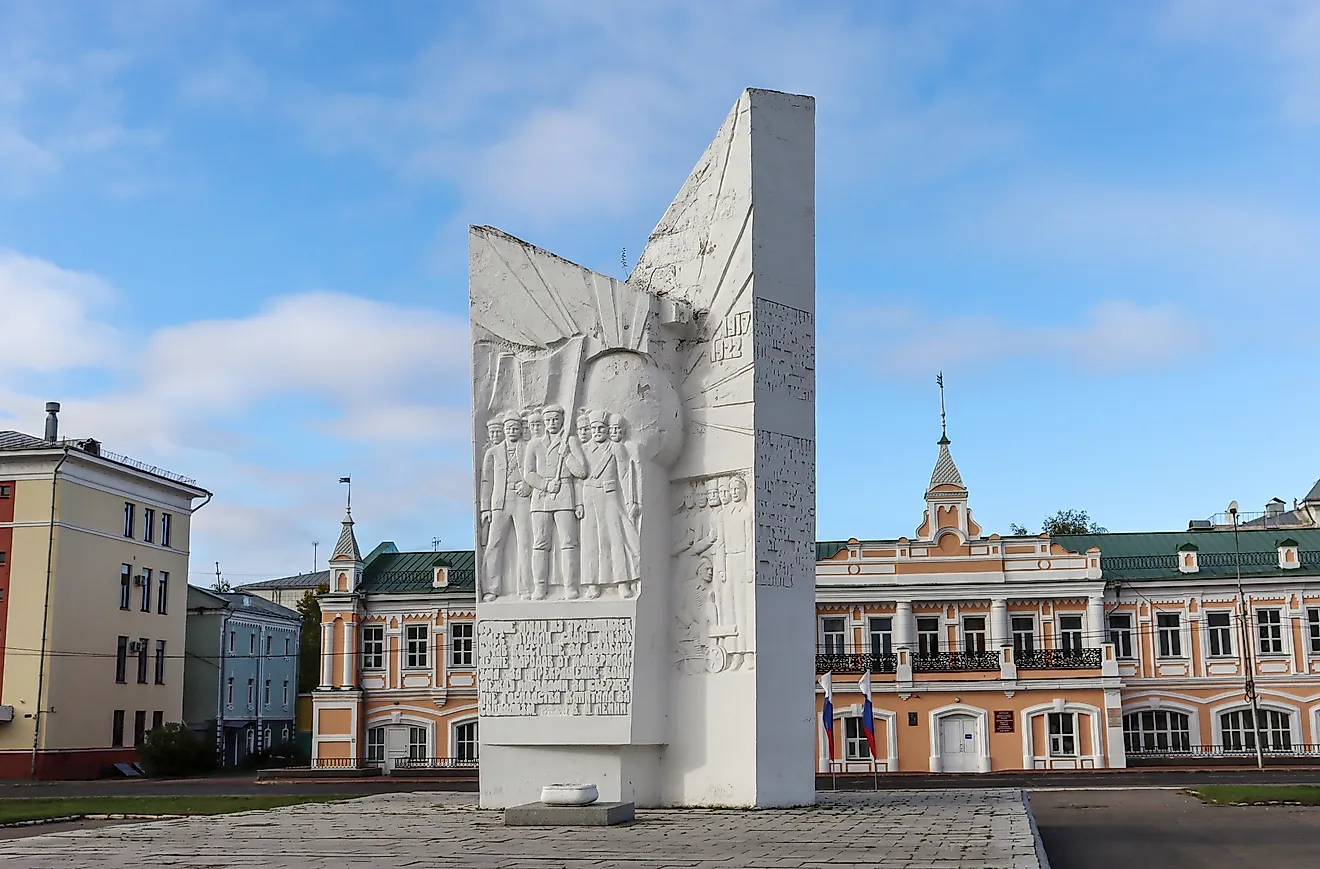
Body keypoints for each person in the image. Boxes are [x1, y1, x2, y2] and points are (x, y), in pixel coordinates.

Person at [523, 404, 586, 599]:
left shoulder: (570, 441)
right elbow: (528, 474)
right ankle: (540, 586)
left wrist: (566, 454)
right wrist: (544, 485)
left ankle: (570, 586)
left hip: (565, 494)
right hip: (542, 497)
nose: (551, 423)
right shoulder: (534, 444)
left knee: (568, 542)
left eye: (555, 420)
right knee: (541, 543)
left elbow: (581, 471)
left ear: (561, 420)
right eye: (548, 420)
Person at [580, 410, 640, 599]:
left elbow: (624, 475)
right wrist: (577, 504)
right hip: (589, 497)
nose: (597, 431)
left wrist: (631, 501)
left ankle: (622, 582)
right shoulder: (584, 449)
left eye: (601, 428)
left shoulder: (615, 448)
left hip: (610, 495)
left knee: (616, 539)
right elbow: (575, 479)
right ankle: (593, 583)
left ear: (607, 429)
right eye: (594, 428)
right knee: (591, 541)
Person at [479, 414, 533, 601]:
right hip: (499, 502)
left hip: (522, 500)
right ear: (504, 430)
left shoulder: (527, 449)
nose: (512, 431)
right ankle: (491, 588)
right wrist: (485, 507)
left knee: (525, 543)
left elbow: (536, 471)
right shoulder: (492, 453)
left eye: (515, 428)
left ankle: (526, 588)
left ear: (520, 430)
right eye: (508, 428)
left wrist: (529, 486)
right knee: (494, 544)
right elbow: (486, 481)